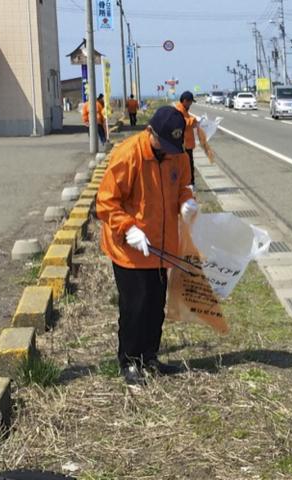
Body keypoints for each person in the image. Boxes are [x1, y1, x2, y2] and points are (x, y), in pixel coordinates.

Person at [96, 106, 198, 386]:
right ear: (150, 131)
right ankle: (129, 361)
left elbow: (184, 186)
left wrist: (186, 201)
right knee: (135, 306)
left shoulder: (176, 155)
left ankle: (149, 356)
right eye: (162, 143)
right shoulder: (128, 155)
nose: (167, 150)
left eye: (172, 146)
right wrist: (128, 228)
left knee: (155, 305)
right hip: (130, 249)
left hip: (162, 246)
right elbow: (106, 201)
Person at [174, 91, 199, 187]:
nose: (191, 104)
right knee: (187, 165)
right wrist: (195, 121)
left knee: (189, 164)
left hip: (187, 143)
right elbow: (183, 122)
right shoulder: (179, 110)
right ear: (185, 101)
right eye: (190, 102)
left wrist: (194, 120)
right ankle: (189, 184)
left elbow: (187, 118)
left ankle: (190, 184)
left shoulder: (183, 109)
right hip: (183, 144)